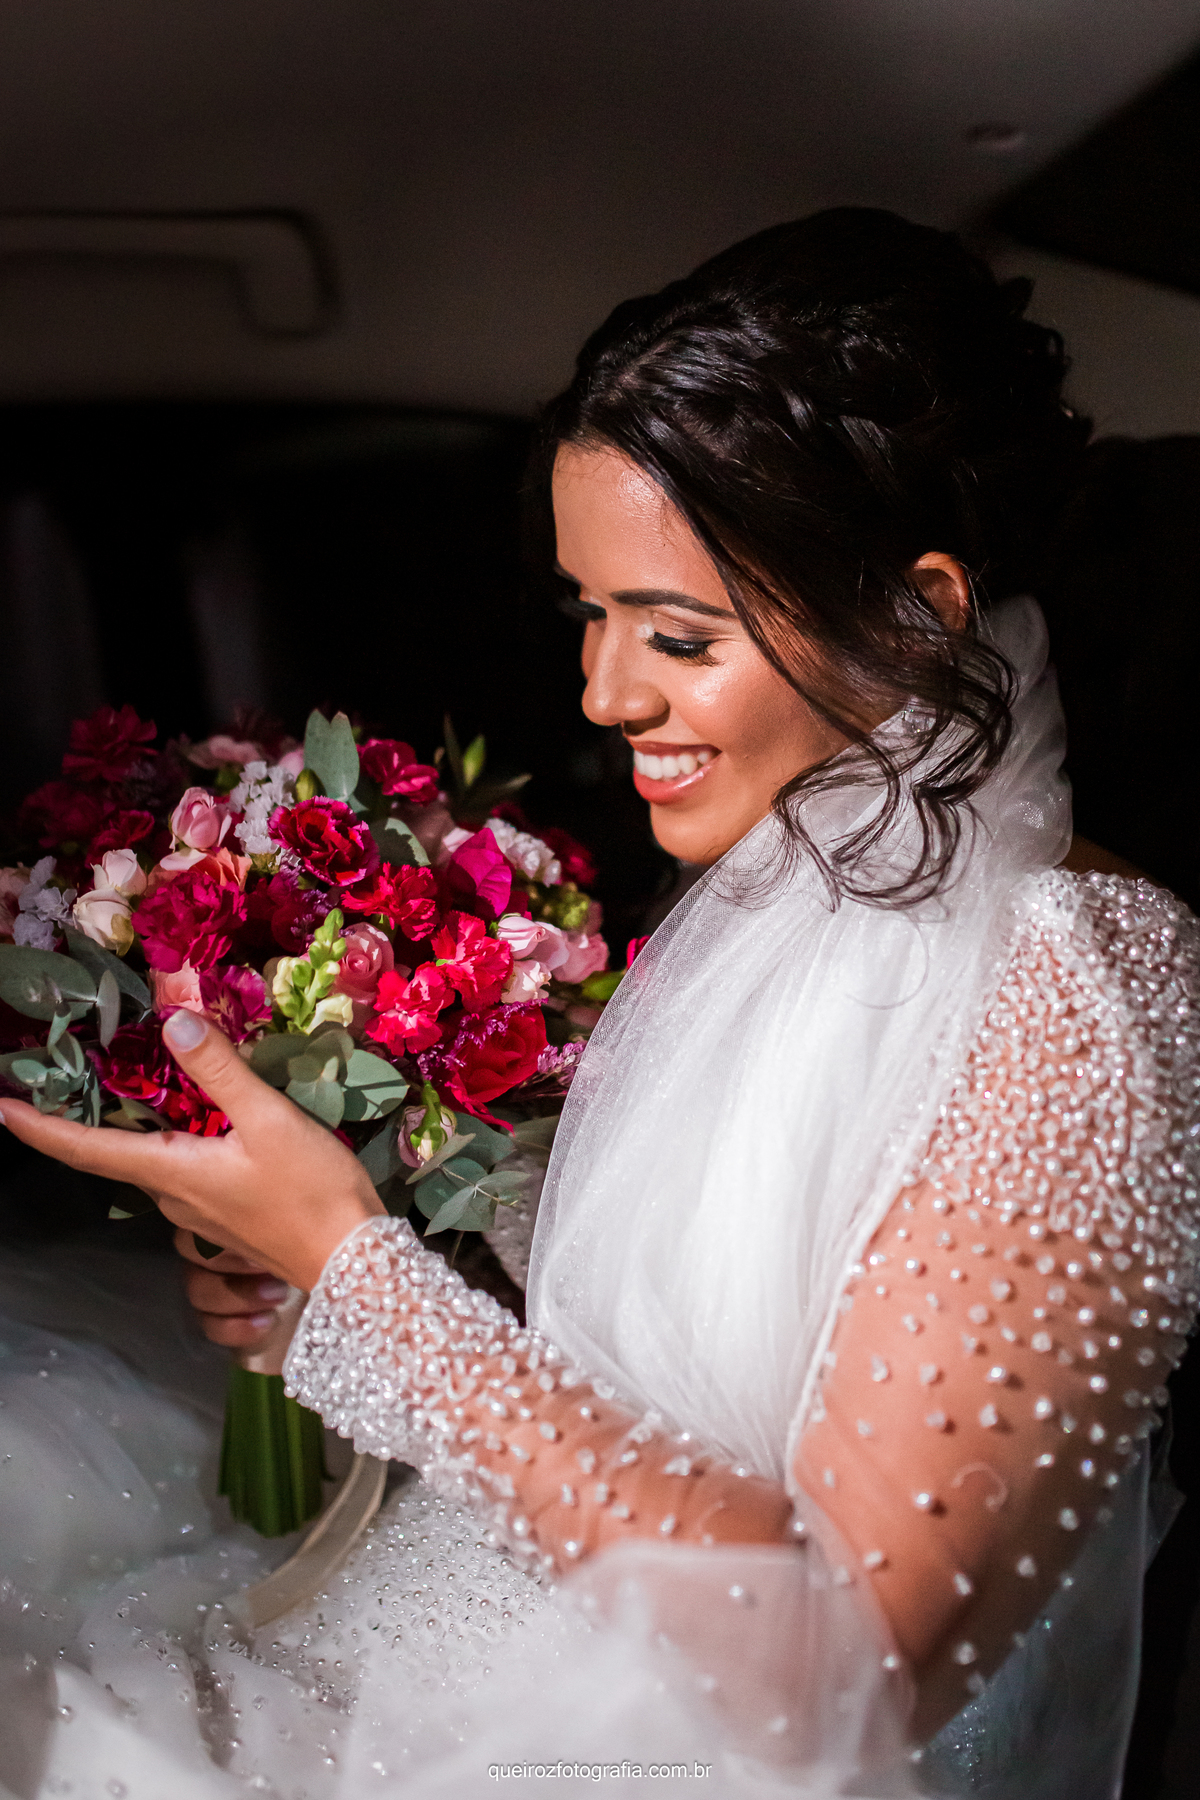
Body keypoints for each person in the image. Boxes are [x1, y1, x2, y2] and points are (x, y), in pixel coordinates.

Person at [1, 208, 1196, 1799]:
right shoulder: (778, 878)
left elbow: (845, 1673)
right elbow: (673, 1391)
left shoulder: (1082, 988)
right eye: (593, 616)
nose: (605, 694)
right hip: (416, 1649)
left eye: (679, 635)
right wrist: (322, 1290)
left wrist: (361, 1277)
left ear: (921, 609)